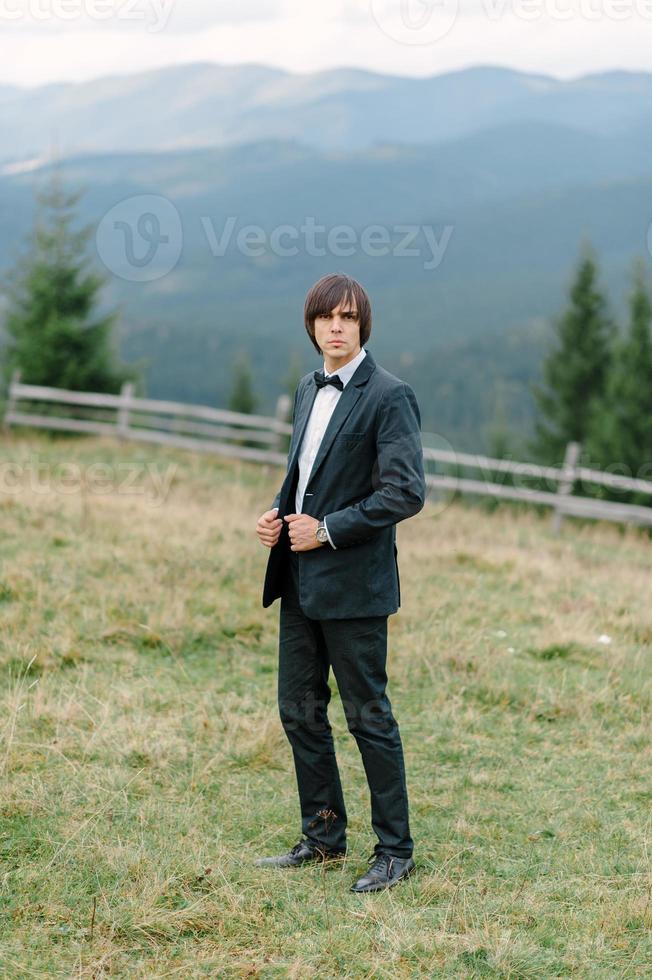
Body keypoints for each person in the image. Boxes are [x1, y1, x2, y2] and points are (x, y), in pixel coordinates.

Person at [255, 272, 426, 893]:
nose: (336, 327)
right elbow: (304, 472)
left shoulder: (389, 395)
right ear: (312, 325)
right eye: (327, 317)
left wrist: (325, 530)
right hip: (299, 580)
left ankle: (396, 852)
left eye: (348, 318)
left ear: (362, 327)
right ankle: (324, 837)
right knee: (299, 710)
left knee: (367, 716)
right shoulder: (307, 386)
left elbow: (405, 493)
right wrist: (279, 513)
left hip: (354, 586)